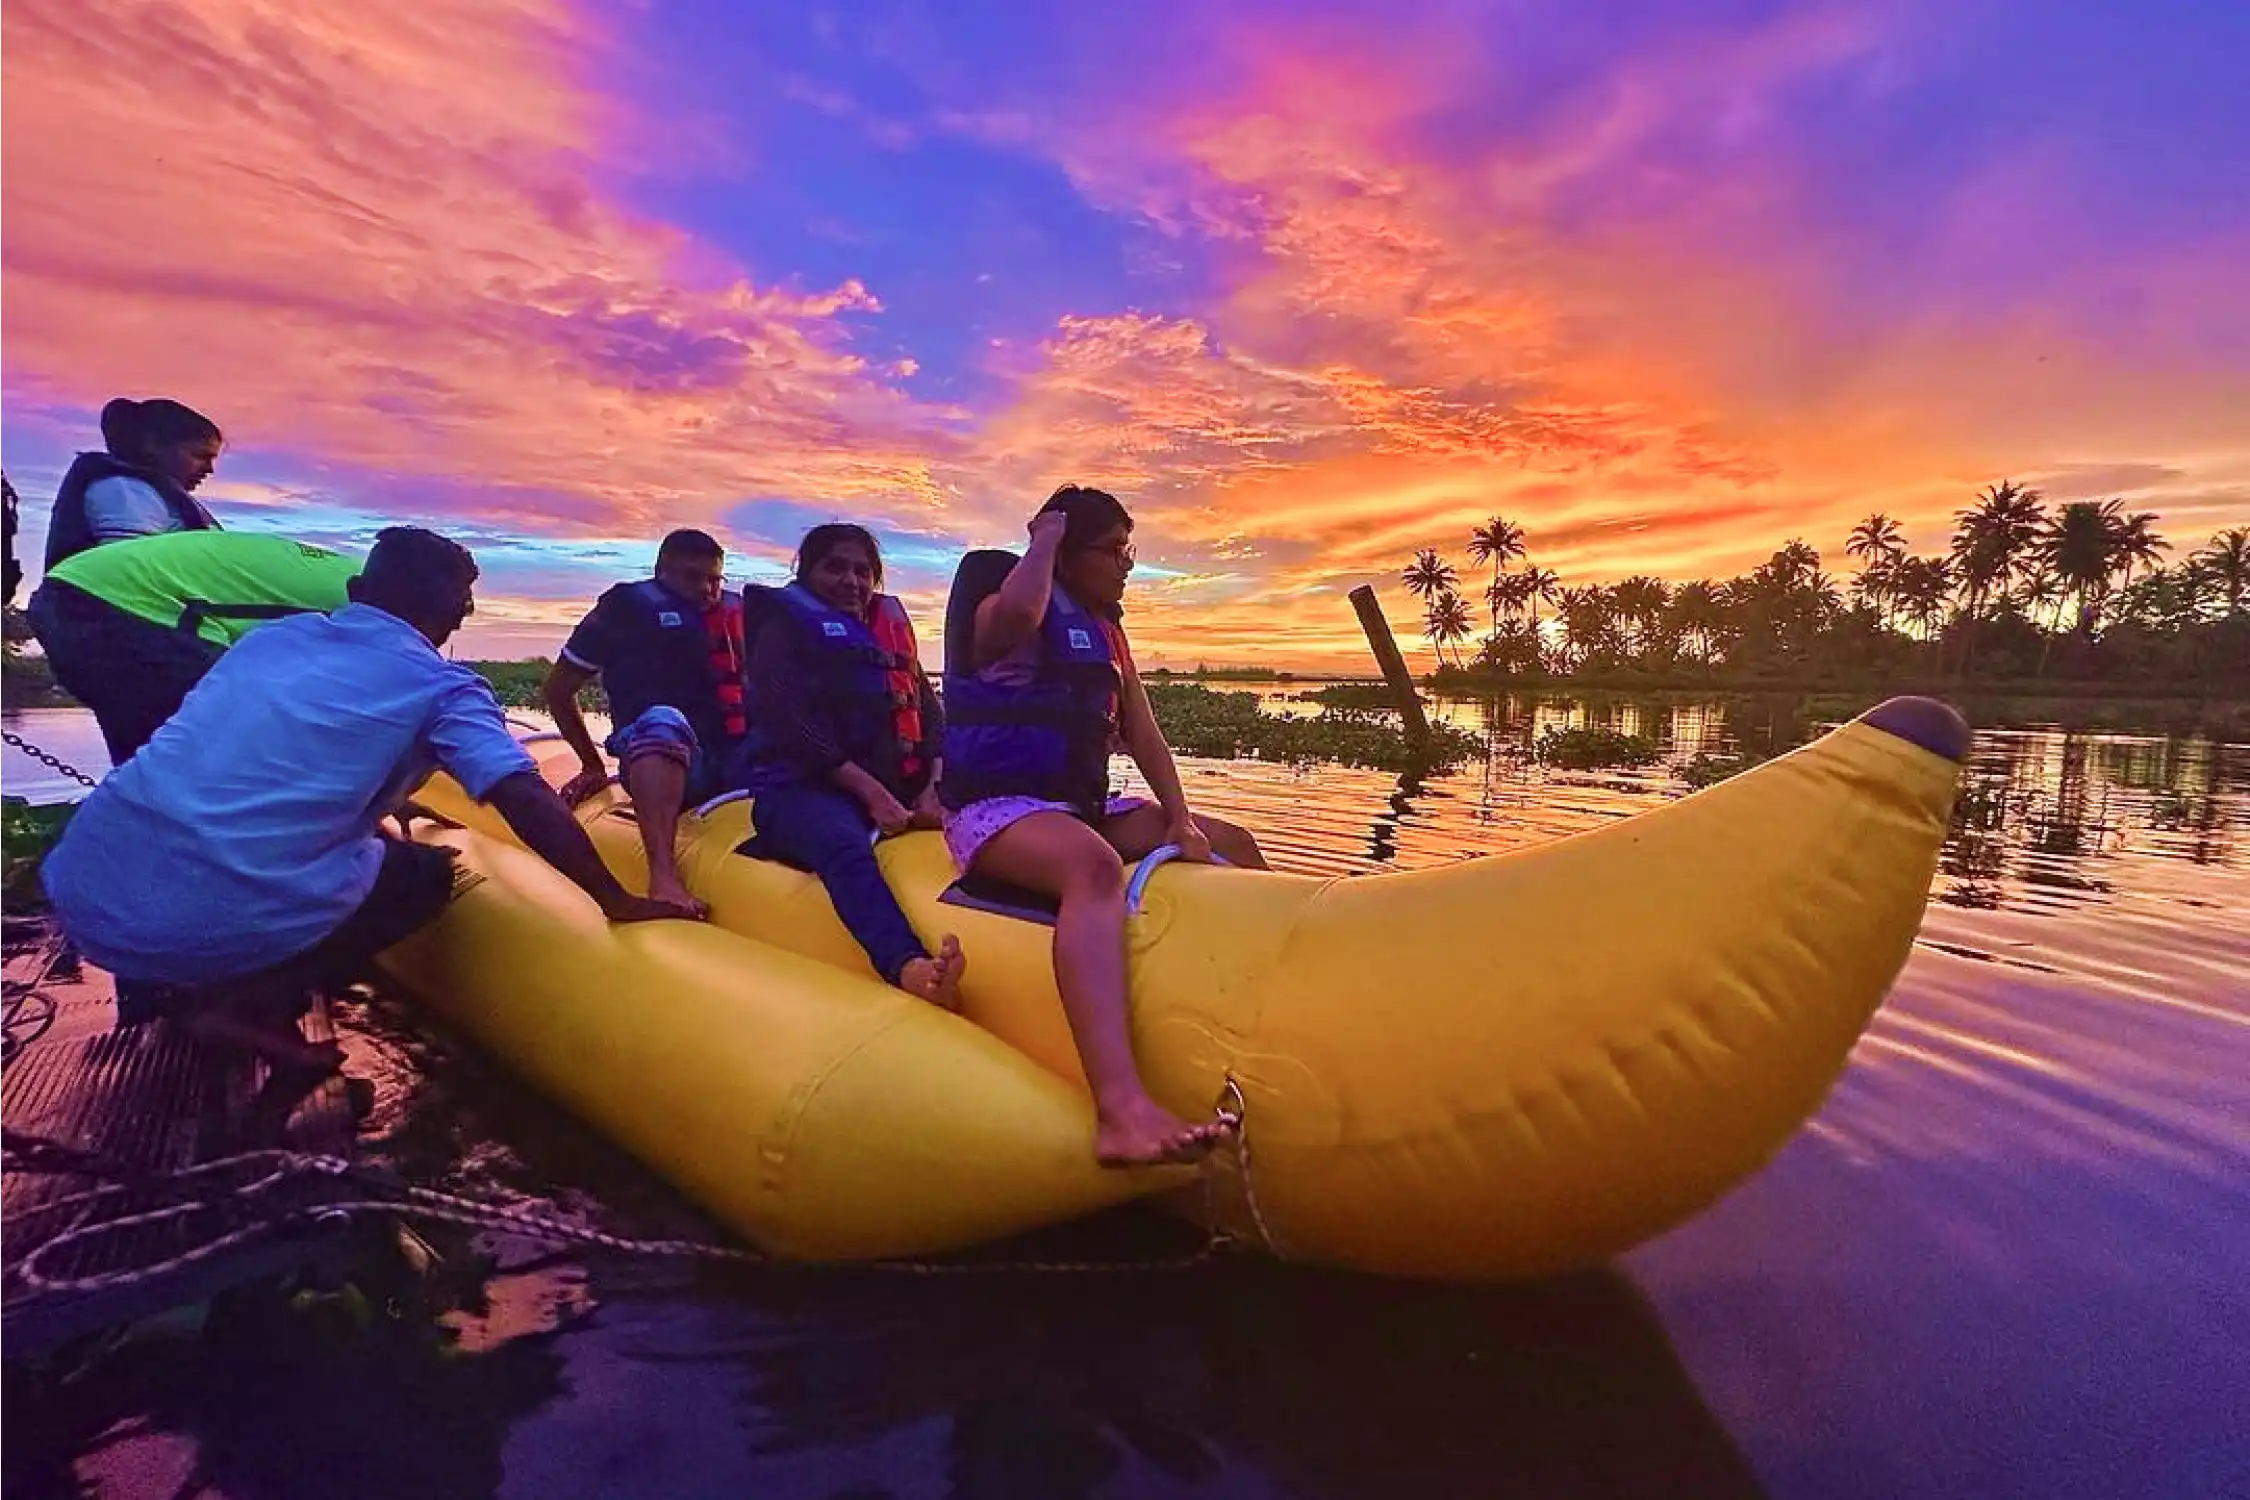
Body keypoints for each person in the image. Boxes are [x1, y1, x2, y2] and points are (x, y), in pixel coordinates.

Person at [40, 527, 701, 1072]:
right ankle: (246, 1001)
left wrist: (390, 802)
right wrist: (614, 899)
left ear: (357, 591)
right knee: (424, 875)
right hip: (203, 920)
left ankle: (217, 981)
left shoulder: (272, 641)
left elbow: (275, 754)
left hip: (84, 891)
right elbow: (522, 795)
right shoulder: (444, 688)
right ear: (458, 615)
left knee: (367, 842)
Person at [940, 485, 1269, 1167]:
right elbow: (1025, 608)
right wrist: (1044, 537)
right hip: (996, 810)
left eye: (1130, 549)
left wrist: (1181, 820)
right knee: (1091, 868)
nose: (1126, 564)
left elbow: (1145, 736)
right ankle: (1120, 1109)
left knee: (1233, 840)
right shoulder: (1004, 608)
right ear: (1067, 550)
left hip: (1082, 806)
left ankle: (1279, 1003)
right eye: (1114, 550)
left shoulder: (1106, 631)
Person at [735, 524, 964, 1008]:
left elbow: (929, 709)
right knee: (843, 844)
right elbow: (790, 721)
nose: (851, 580)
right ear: (807, 571)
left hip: (893, 787)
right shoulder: (781, 628)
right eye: (834, 567)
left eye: (863, 571)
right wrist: (872, 794)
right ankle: (908, 966)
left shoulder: (886, 633)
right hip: (799, 791)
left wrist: (935, 783)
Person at [27, 529, 363, 764]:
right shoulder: (378, 605)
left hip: (77, 588)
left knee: (156, 757)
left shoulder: (363, 579)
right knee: (222, 746)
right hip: (124, 602)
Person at [543, 529, 746, 915]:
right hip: (665, 759)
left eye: (714, 579)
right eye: (692, 577)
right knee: (663, 720)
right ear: (661, 571)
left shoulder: (739, 617)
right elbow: (557, 690)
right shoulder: (624, 609)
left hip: (739, 763)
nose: (706, 589)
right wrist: (591, 764)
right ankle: (664, 878)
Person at [43, 398, 225, 571]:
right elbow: (131, 570)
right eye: (200, 456)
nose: (209, 469)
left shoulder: (149, 494)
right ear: (154, 446)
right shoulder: (124, 492)